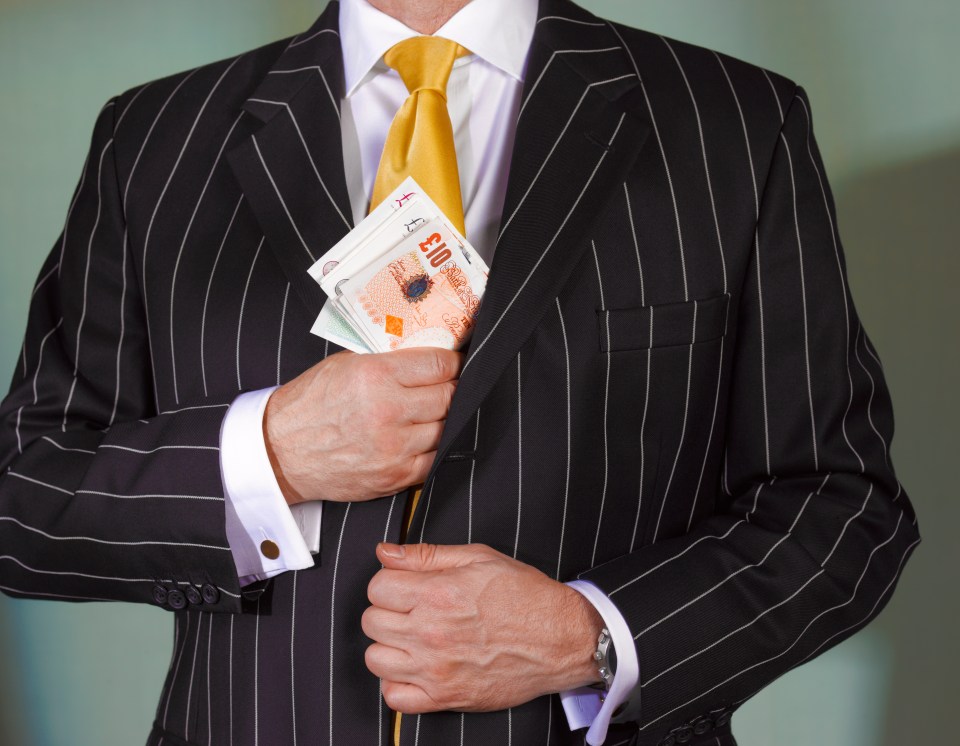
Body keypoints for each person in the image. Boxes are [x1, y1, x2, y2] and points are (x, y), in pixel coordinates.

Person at [0, 0, 920, 744]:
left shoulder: (735, 121)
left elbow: (842, 509)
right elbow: (21, 499)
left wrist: (590, 636)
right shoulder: (154, 138)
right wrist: (267, 455)